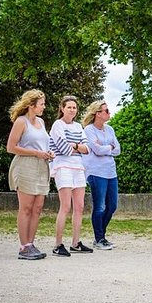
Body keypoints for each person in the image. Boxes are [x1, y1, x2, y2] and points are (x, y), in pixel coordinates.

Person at [6, 89, 54, 260]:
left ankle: (31, 244)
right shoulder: (21, 121)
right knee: (26, 208)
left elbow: (41, 144)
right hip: (25, 167)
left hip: (41, 167)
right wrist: (35, 153)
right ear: (31, 105)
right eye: (41, 104)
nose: (44, 107)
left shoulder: (41, 122)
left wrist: (47, 153)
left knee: (38, 208)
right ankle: (24, 247)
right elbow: (11, 148)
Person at [49, 95, 93, 256]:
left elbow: (87, 148)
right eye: (69, 107)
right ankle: (58, 244)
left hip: (78, 167)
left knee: (79, 206)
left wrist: (74, 145)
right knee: (66, 206)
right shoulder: (57, 125)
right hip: (63, 166)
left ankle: (75, 243)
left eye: (74, 107)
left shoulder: (78, 126)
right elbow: (62, 148)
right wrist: (77, 147)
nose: (72, 110)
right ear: (62, 108)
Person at [82, 100, 121, 250]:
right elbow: (96, 150)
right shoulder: (89, 130)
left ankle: (101, 236)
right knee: (99, 206)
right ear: (97, 114)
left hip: (111, 172)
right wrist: (108, 147)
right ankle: (99, 238)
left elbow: (118, 149)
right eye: (106, 111)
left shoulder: (109, 129)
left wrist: (105, 147)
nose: (109, 113)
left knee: (112, 206)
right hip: (96, 172)